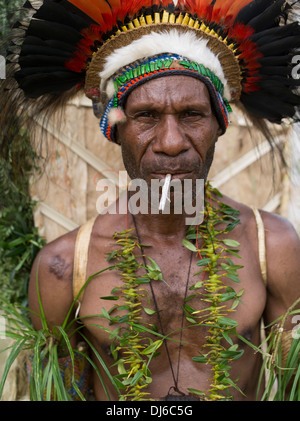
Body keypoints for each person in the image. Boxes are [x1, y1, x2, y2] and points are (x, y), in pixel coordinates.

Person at [1, 0, 300, 401]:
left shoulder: (273, 246)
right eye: (146, 116)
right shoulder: (62, 268)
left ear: (219, 125)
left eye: (192, 114)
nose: (172, 142)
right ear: (116, 129)